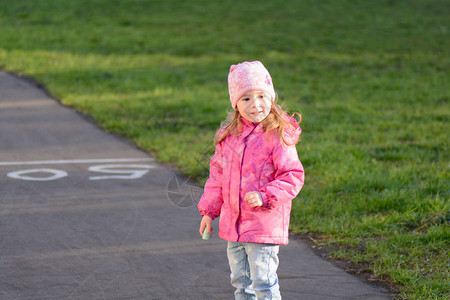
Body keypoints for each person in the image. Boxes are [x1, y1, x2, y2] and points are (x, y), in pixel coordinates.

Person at [198, 61, 305, 299]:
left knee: (264, 284)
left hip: (263, 225)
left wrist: (265, 195)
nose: (255, 104)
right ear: (235, 104)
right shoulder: (230, 136)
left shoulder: (277, 135)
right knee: (241, 283)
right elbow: (217, 175)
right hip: (233, 225)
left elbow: (292, 175)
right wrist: (209, 211)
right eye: (246, 99)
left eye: (261, 96)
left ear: (272, 97)